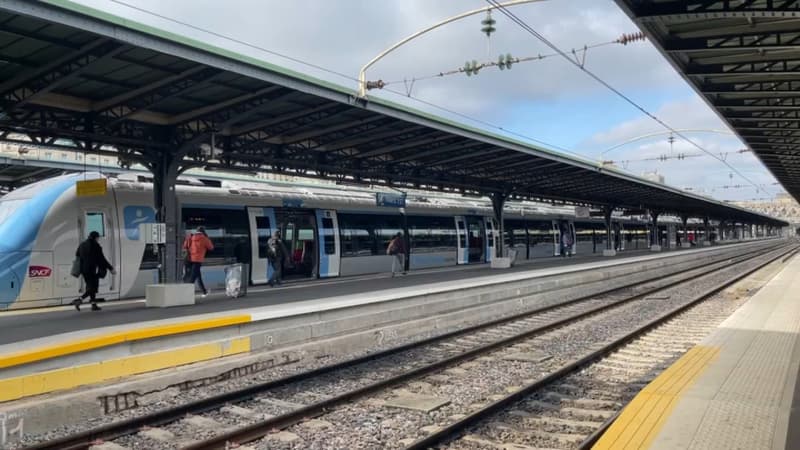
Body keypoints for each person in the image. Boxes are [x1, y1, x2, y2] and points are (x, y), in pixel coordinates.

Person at [72, 231, 115, 311]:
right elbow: (102, 259)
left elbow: (77, 254)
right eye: (98, 238)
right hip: (92, 269)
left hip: (84, 270)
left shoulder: (82, 244)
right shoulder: (96, 246)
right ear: (96, 238)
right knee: (92, 288)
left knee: (90, 286)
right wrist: (110, 268)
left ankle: (93, 305)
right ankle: (79, 300)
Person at [184, 226, 214, 297]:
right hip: (197, 260)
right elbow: (211, 248)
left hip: (189, 259)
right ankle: (186, 295)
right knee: (193, 278)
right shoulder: (204, 238)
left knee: (198, 276)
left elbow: (185, 246)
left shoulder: (190, 237)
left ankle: (204, 292)